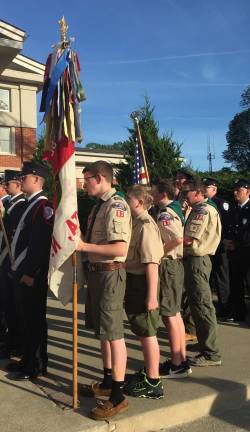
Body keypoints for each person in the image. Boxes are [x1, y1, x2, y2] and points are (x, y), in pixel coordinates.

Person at [76, 161, 132, 421]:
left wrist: (83, 247)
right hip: (98, 273)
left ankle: (118, 396)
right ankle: (108, 380)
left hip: (110, 273)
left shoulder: (116, 206)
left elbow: (119, 249)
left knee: (114, 334)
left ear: (99, 178)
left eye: (86, 178)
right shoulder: (100, 206)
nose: (83, 182)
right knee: (103, 332)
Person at [8, 161, 54, 380]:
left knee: (34, 320)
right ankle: (27, 359)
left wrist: (29, 273)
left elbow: (40, 245)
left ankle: (36, 365)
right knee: (25, 318)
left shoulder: (43, 207)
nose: (21, 180)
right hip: (21, 272)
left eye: (24, 176)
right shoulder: (30, 204)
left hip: (31, 275)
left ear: (36, 179)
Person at [124, 185, 164, 399]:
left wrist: (151, 296)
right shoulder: (136, 222)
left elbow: (151, 264)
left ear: (139, 202)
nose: (125, 199)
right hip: (134, 282)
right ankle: (149, 372)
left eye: (128, 197)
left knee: (148, 332)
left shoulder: (146, 225)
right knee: (142, 331)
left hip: (142, 284)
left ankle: (154, 382)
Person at [152, 179, 191, 378]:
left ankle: (177, 364)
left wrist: (158, 252)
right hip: (174, 265)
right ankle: (181, 359)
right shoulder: (173, 209)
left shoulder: (166, 213)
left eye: (154, 191)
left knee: (169, 313)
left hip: (169, 264)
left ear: (163, 194)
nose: (151, 194)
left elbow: (176, 239)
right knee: (174, 314)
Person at [182, 179, 222, 366]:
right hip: (194, 261)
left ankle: (211, 353)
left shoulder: (202, 211)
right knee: (196, 304)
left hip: (198, 260)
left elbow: (188, 239)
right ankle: (204, 343)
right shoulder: (197, 209)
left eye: (187, 192)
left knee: (203, 305)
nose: (184, 195)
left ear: (198, 193)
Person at [0, 170, 26, 359]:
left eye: (7, 183)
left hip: (12, 263)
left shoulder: (21, 206)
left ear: (16, 184)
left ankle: (14, 345)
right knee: (7, 307)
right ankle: (9, 343)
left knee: (14, 309)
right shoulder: (10, 204)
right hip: (6, 262)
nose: (5, 186)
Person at [202, 177, 230, 317]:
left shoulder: (221, 203)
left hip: (219, 247)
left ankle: (224, 307)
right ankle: (212, 306)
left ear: (214, 189)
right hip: (207, 247)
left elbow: (225, 224)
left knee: (221, 277)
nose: (204, 190)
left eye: (206, 188)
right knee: (209, 277)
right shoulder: (202, 204)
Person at [223, 179, 250, 322]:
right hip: (234, 253)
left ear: (247, 191)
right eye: (234, 190)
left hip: (246, 252)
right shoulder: (233, 209)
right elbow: (228, 228)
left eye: (238, 190)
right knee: (235, 283)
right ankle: (238, 312)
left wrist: (236, 244)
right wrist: (226, 241)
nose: (235, 193)